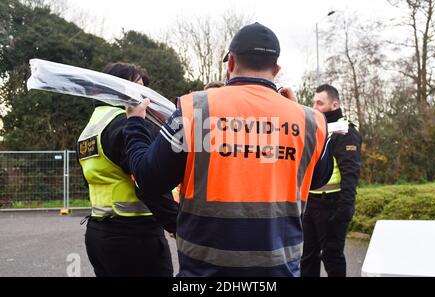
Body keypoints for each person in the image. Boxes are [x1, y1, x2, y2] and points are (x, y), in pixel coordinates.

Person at [123, 23, 333, 277]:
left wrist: (135, 123)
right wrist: (295, 112)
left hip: (203, 273)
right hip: (279, 271)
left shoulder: (196, 110)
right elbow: (320, 178)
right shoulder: (310, 121)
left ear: (230, 63)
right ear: (276, 69)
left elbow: (148, 179)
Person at [77, 62, 178, 277]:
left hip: (98, 232)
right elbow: (147, 181)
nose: (144, 96)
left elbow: (89, 179)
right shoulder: (126, 124)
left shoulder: (92, 127)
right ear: (116, 89)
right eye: (138, 88)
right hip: (135, 236)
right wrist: (177, 225)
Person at [301, 84, 362, 277]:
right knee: (306, 256)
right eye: (314, 102)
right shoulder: (318, 128)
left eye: (320, 103)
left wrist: (345, 208)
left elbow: (350, 173)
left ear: (334, 104)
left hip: (332, 204)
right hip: (310, 203)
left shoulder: (345, 131)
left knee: (332, 256)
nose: (315, 106)